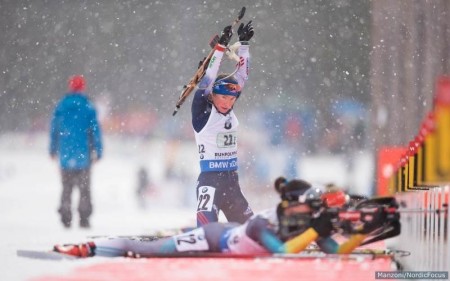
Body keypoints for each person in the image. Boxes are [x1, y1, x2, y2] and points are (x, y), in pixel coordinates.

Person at [53, 176, 398, 257]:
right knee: (152, 248)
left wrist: (367, 237)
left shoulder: (305, 222)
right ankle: (88, 247)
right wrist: (319, 229)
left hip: (233, 232)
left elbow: (334, 252)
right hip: (215, 237)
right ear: (292, 204)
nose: (314, 212)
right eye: (309, 205)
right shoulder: (266, 223)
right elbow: (280, 252)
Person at [191, 21, 255, 226]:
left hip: (231, 183)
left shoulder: (229, 108)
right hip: (210, 183)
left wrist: (244, 44)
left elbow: (242, 76)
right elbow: (207, 81)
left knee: (250, 230)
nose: (228, 103)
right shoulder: (202, 114)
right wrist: (219, 49)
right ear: (211, 96)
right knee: (205, 232)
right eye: (223, 98)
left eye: (232, 99)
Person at [49, 75, 103, 229]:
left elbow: (54, 129)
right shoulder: (88, 107)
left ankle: (65, 215)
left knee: (66, 187)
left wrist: (52, 149)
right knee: (84, 189)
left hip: (65, 155)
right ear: (82, 87)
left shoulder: (61, 106)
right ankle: (84, 217)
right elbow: (95, 131)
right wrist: (98, 150)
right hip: (83, 155)